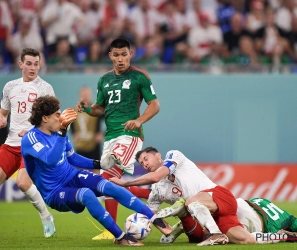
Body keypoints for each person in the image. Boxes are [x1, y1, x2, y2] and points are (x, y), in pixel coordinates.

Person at [21, 95, 172, 246]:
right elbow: (51, 160)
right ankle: (120, 238)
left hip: (73, 176)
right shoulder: (31, 138)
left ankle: (154, 219)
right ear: (45, 118)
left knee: (110, 186)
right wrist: (62, 131)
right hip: (54, 192)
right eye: (57, 115)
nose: (61, 118)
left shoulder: (59, 133)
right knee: (86, 194)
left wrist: (101, 164)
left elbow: (72, 158)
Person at [76, 38, 160, 240]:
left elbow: (155, 105)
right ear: (110, 56)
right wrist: (87, 109)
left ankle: (111, 229)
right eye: (116, 55)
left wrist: (139, 121)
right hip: (110, 137)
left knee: (105, 180)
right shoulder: (104, 80)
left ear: (130, 54)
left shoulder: (140, 77)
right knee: (109, 186)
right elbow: (99, 109)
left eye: (124, 54)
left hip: (129, 136)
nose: (120, 59)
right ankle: (156, 195)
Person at [110, 146, 256, 246]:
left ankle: (215, 234)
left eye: (146, 159)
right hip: (207, 216)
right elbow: (151, 216)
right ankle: (277, 235)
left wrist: (125, 184)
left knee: (189, 202)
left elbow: (155, 176)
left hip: (220, 197)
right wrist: (132, 234)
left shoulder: (174, 155)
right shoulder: (156, 191)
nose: (145, 164)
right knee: (245, 240)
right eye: (142, 164)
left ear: (158, 155)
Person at [0, 48, 56, 238]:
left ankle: (46, 216)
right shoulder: (9, 87)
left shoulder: (45, 88)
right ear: (20, 64)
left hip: (33, 144)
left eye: (36, 64)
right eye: (29, 63)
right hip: (11, 143)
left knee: (22, 183)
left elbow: (55, 121)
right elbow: (3, 112)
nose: (33, 67)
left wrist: (33, 131)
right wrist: (1, 118)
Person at [147, 178, 297, 244]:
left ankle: (186, 214)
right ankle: (282, 237)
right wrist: (284, 235)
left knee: (201, 213)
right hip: (253, 222)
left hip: (241, 203)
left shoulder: (262, 200)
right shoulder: (287, 219)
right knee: (247, 240)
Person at [70, 86, 104, 161]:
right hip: (80, 145)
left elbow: (109, 121)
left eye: (87, 95)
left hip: (94, 145)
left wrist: (103, 134)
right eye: (83, 95)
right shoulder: (74, 111)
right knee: (80, 167)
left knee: (96, 167)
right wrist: (73, 133)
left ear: (91, 95)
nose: (85, 97)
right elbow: (70, 123)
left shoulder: (96, 110)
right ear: (80, 96)